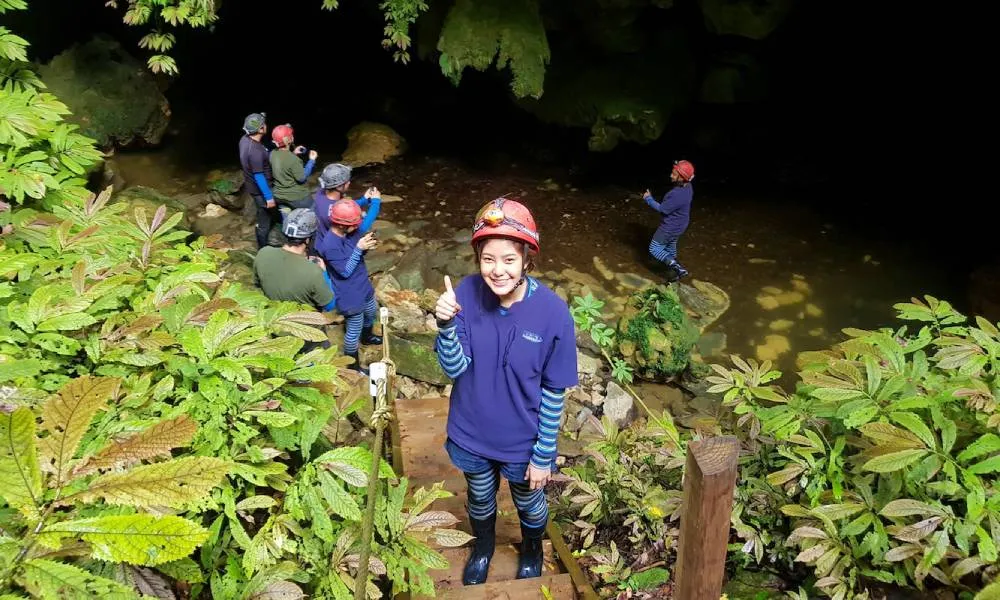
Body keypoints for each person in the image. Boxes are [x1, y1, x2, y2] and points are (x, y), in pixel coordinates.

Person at [432, 198, 578, 585]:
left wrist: (543, 455)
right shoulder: (465, 292)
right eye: (488, 259)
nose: (497, 271)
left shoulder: (553, 313)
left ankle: (531, 548)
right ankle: (483, 547)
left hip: (522, 442)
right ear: (478, 258)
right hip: (471, 433)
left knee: (529, 503)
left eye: (509, 260)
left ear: (527, 259)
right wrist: (446, 324)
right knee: (479, 497)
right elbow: (454, 368)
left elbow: (553, 391)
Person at [315, 190, 383, 373]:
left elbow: (366, 222)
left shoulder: (350, 233)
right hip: (348, 293)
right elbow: (345, 271)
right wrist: (360, 249)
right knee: (353, 330)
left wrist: (375, 202)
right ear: (344, 226)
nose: (358, 226)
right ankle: (353, 365)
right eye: (355, 223)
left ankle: (367, 336)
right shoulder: (329, 245)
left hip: (363, 284)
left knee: (371, 311)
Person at [253, 208, 336, 317]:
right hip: (303, 327)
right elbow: (330, 305)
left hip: (273, 320)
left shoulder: (263, 253)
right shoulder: (313, 271)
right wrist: (324, 273)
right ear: (307, 240)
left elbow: (258, 284)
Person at [643, 159, 695, 281]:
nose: (671, 175)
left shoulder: (676, 194)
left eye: (674, 174)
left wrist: (648, 199)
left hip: (669, 227)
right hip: (681, 225)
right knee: (670, 245)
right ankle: (673, 275)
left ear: (682, 178)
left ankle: (676, 267)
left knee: (654, 248)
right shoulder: (688, 187)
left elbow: (663, 210)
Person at [239, 112, 279, 249]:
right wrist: (268, 198)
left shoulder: (244, 139)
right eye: (264, 124)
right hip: (261, 191)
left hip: (251, 186)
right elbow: (259, 176)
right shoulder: (255, 151)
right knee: (264, 221)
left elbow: (259, 150)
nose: (266, 125)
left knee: (265, 213)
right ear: (261, 129)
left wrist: (271, 146)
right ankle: (262, 248)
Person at [269, 124, 319, 210]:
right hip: (295, 196)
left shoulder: (272, 153)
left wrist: (294, 153)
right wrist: (311, 160)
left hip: (278, 196)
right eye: (291, 135)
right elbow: (301, 178)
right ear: (290, 139)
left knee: (287, 216)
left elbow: (284, 163)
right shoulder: (293, 159)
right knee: (313, 209)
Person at [313, 162, 355, 247]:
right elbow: (346, 231)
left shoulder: (320, 192)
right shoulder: (334, 211)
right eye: (346, 182)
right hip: (329, 247)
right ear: (339, 186)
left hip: (319, 237)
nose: (349, 183)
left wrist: (363, 199)